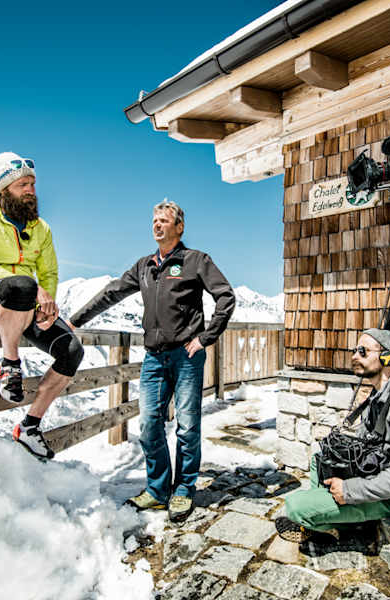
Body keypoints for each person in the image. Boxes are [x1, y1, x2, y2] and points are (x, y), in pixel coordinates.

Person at [67, 201, 235, 522]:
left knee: (187, 426)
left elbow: (225, 296)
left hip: (186, 356)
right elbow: (112, 292)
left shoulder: (195, 260)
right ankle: (158, 490)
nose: (157, 226)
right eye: (154, 220)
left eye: (164, 221)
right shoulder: (145, 266)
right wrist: (76, 320)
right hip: (153, 358)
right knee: (148, 425)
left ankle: (184, 489)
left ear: (179, 227)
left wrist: (205, 337)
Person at [0, 152, 84, 460]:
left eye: (32, 184)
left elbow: (50, 271)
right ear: (3, 190)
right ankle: (10, 365)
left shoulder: (41, 228)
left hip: (27, 302)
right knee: (22, 284)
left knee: (71, 351)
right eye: (22, 185)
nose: (30, 190)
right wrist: (35, 290)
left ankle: (30, 425)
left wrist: (47, 303)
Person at [274, 329, 390, 543]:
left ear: (388, 357)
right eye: (355, 350)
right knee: (320, 459)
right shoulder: (380, 394)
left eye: (363, 351)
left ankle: (335, 525)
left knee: (295, 507)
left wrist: (349, 489)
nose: (355, 356)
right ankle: (330, 513)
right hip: (377, 473)